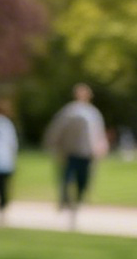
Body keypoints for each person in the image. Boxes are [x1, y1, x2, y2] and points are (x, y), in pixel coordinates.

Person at [45, 83, 107, 222]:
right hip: (69, 151)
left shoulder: (93, 113)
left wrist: (101, 147)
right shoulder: (69, 111)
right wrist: (54, 145)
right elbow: (56, 130)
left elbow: (98, 133)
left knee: (82, 180)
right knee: (66, 179)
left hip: (86, 152)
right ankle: (65, 202)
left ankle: (78, 202)